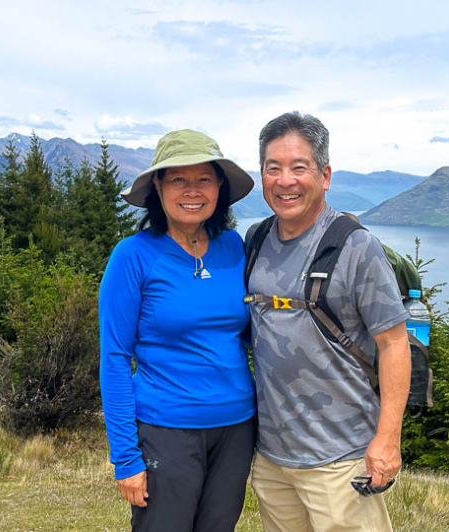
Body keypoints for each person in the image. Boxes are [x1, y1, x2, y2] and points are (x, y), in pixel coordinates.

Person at [246, 112, 411, 531]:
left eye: (299, 167)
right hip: (272, 460)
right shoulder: (256, 240)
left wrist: (388, 440)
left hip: (342, 461)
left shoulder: (358, 248)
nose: (285, 180)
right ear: (262, 174)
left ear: (325, 174)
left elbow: (394, 344)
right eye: (273, 168)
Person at [99, 129, 257, 532]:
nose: (192, 190)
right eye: (178, 179)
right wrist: (126, 457)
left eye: (203, 178)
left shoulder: (233, 247)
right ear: (158, 186)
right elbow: (115, 358)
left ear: (220, 186)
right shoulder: (133, 256)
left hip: (236, 429)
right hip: (165, 429)